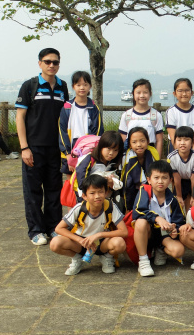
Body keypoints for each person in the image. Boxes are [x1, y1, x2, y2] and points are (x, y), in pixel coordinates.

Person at [16, 48, 70, 245]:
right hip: (33, 148)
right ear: (40, 63)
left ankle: (53, 227)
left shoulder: (63, 87)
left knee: (54, 189)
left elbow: (66, 118)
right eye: (47, 61)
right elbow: (20, 117)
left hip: (55, 149)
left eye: (55, 62)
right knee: (33, 191)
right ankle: (36, 230)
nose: (51, 65)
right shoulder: (30, 86)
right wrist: (24, 148)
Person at [50, 174, 127, 275]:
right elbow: (59, 228)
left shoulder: (110, 206)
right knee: (55, 243)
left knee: (119, 243)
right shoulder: (79, 208)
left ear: (106, 192)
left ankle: (107, 257)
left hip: (102, 243)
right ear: (84, 196)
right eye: (92, 193)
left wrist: (99, 235)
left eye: (100, 192)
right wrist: (80, 240)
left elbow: (124, 231)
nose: (97, 196)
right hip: (81, 243)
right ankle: (77, 258)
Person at [132, 160, 186, 277]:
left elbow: (179, 221)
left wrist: (175, 229)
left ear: (170, 180)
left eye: (164, 178)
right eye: (156, 178)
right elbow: (138, 211)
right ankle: (143, 261)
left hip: (163, 235)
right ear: (149, 179)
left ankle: (160, 250)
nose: (160, 181)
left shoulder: (173, 200)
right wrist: (157, 218)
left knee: (179, 251)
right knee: (140, 222)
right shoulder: (144, 191)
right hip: (147, 233)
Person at [58, 71, 103, 173]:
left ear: (90, 86)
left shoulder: (94, 108)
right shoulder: (67, 108)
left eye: (85, 85)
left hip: (88, 151)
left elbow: (98, 131)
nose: (82, 88)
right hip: (70, 149)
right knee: (70, 179)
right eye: (78, 85)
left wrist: (92, 151)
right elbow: (62, 132)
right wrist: (67, 153)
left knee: (86, 178)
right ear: (73, 86)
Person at [73, 130, 124, 201]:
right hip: (86, 197)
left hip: (104, 196)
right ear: (101, 146)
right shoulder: (89, 159)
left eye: (115, 150)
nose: (111, 153)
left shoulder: (115, 161)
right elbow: (82, 183)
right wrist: (104, 181)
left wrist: (112, 183)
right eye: (108, 148)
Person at [118, 78, 164, 156]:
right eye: (138, 92)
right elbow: (122, 138)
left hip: (150, 154)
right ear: (133, 94)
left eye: (145, 92)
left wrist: (157, 159)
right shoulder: (126, 115)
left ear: (150, 94)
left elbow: (159, 140)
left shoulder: (156, 115)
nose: (142, 95)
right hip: (130, 155)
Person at [120, 127, 161, 213]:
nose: (139, 145)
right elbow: (124, 178)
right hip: (131, 190)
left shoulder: (153, 154)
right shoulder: (126, 157)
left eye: (142, 141)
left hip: (150, 189)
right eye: (134, 142)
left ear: (148, 141)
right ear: (130, 144)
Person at [167, 126, 194, 212]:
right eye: (179, 140)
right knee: (177, 203)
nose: (182, 143)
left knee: (193, 205)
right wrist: (179, 196)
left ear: (192, 142)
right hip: (180, 181)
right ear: (174, 142)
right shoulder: (171, 157)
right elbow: (176, 178)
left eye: (186, 140)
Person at [165, 78, 194, 153]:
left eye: (187, 90)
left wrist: (193, 152)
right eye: (180, 91)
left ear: (192, 93)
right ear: (174, 93)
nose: (184, 94)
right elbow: (173, 136)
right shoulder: (171, 111)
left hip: (193, 147)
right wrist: (180, 153)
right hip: (175, 148)